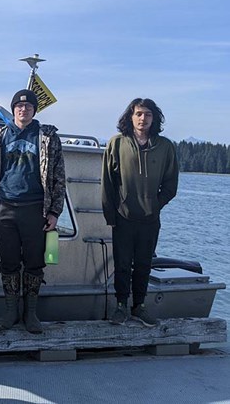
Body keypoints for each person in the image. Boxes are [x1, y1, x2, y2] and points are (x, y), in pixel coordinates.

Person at [0, 89, 66, 334]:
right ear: (13, 109)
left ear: (34, 110)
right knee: (8, 263)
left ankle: (31, 313)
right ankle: (10, 311)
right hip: (5, 209)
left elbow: (59, 177)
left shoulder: (47, 136)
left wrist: (54, 212)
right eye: (18, 106)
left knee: (34, 263)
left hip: (35, 209)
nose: (23, 109)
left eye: (28, 107)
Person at [102, 98, 178, 327]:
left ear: (154, 119)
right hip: (123, 217)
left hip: (150, 219)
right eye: (138, 114)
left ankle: (140, 306)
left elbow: (171, 184)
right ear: (130, 117)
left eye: (147, 114)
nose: (143, 118)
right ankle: (121, 306)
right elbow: (107, 182)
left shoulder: (165, 146)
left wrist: (155, 205)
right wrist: (111, 215)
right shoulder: (117, 143)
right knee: (122, 264)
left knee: (144, 264)